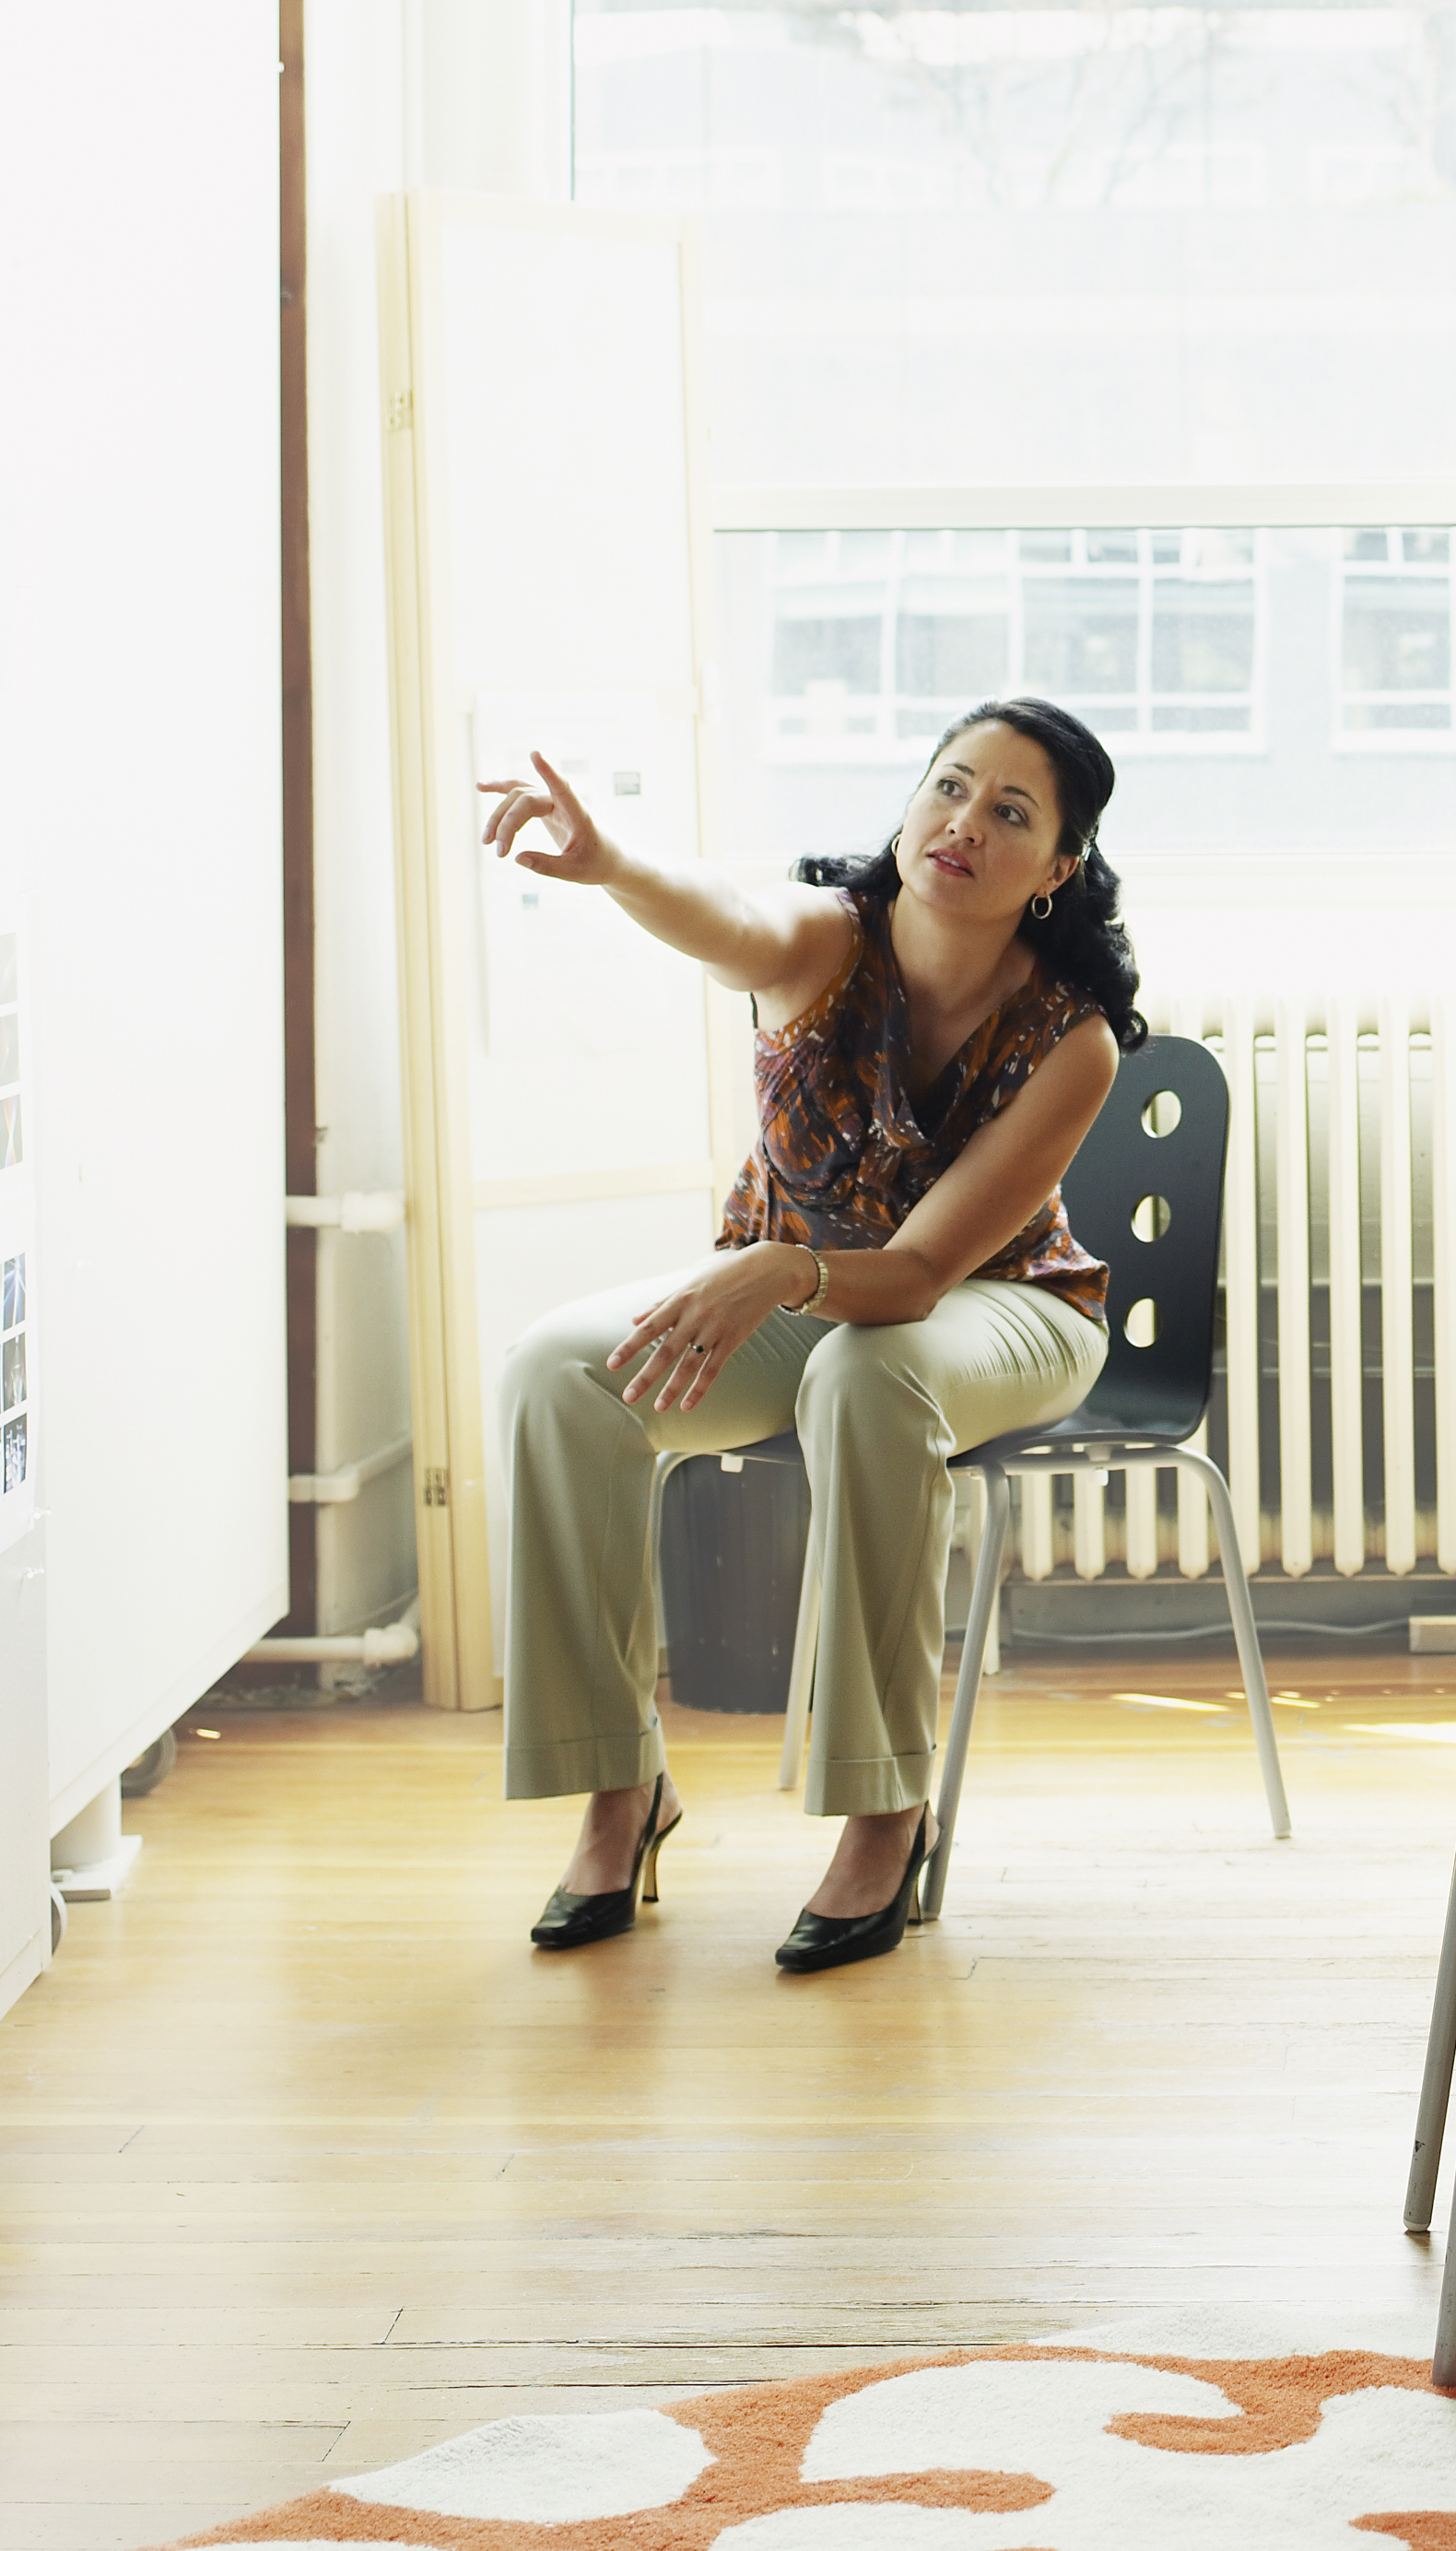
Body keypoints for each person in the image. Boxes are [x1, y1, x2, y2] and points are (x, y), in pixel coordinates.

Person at [479, 697, 1137, 1973]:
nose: (964, 822)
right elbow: (721, 913)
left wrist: (778, 1266)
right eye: (949, 785)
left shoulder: (1076, 1038)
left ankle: (886, 1807)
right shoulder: (824, 939)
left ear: (1058, 867)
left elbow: (920, 1271)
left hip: (1004, 1306)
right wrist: (611, 862)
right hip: (800, 1296)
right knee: (561, 1368)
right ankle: (620, 1789)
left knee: (873, 1374)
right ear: (908, 805)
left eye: (1011, 811)